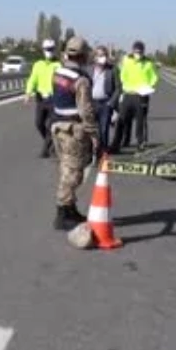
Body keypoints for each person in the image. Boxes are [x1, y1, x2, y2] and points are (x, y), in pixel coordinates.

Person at [50, 36, 100, 230]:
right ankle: (63, 213)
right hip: (73, 131)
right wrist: (94, 134)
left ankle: (70, 208)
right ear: (83, 55)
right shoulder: (81, 80)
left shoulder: (57, 73)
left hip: (57, 127)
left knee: (66, 168)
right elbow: (85, 110)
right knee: (73, 173)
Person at [112, 40, 160, 152]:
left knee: (141, 121)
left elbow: (154, 77)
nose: (138, 53)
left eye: (140, 51)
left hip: (141, 95)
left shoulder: (148, 63)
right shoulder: (127, 60)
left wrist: (149, 86)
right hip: (128, 94)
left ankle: (140, 144)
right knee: (122, 120)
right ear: (132, 50)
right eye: (136, 51)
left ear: (143, 51)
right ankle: (116, 144)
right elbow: (122, 75)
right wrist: (125, 86)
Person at [24, 39, 61, 157]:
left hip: (53, 98)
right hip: (40, 98)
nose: (49, 51)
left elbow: (61, 82)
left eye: (51, 49)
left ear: (54, 50)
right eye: (46, 49)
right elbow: (32, 79)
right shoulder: (38, 64)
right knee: (39, 123)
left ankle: (45, 150)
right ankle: (52, 143)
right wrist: (28, 93)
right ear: (43, 50)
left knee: (51, 125)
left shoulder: (58, 65)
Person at [90, 45, 121, 155]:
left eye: (103, 55)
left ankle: (103, 151)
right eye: (99, 55)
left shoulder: (112, 70)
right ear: (94, 57)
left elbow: (118, 88)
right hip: (92, 104)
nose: (101, 57)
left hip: (105, 104)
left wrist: (111, 103)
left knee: (103, 129)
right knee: (92, 129)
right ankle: (92, 151)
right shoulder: (90, 70)